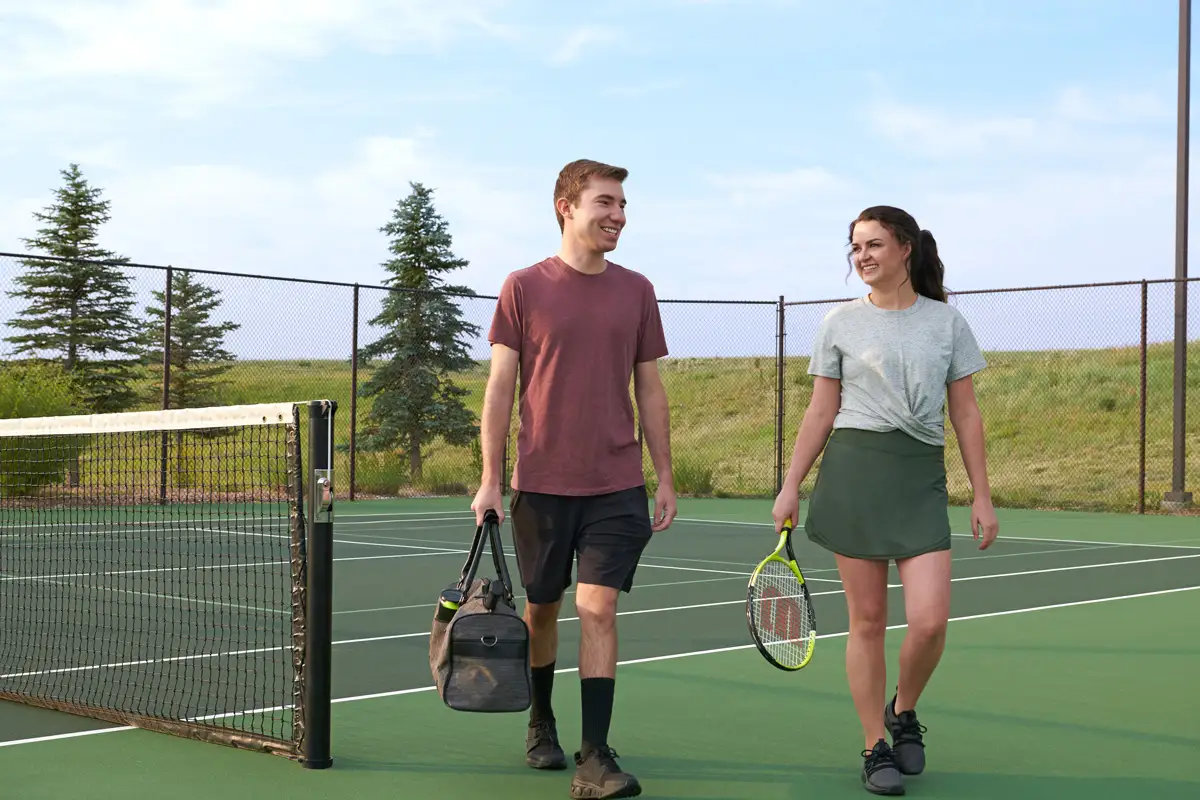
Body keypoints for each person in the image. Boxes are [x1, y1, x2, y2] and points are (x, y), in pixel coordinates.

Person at [772, 205, 999, 796]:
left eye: (873, 244)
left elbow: (966, 412)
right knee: (867, 621)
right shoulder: (838, 323)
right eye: (855, 248)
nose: (862, 256)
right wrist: (791, 484)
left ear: (905, 248)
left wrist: (981, 493)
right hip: (854, 472)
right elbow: (821, 409)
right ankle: (875, 743)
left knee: (929, 622)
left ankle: (904, 708)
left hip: (918, 476)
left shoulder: (947, 323)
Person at [471, 158, 677, 799]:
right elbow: (500, 387)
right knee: (542, 612)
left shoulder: (637, 290)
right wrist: (489, 479)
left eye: (622, 205)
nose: (617, 215)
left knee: (599, 607)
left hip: (616, 484)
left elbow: (650, 387)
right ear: (567, 206)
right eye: (605, 202)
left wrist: (664, 475)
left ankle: (595, 756)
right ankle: (541, 719)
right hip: (542, 484)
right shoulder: (523, 286)